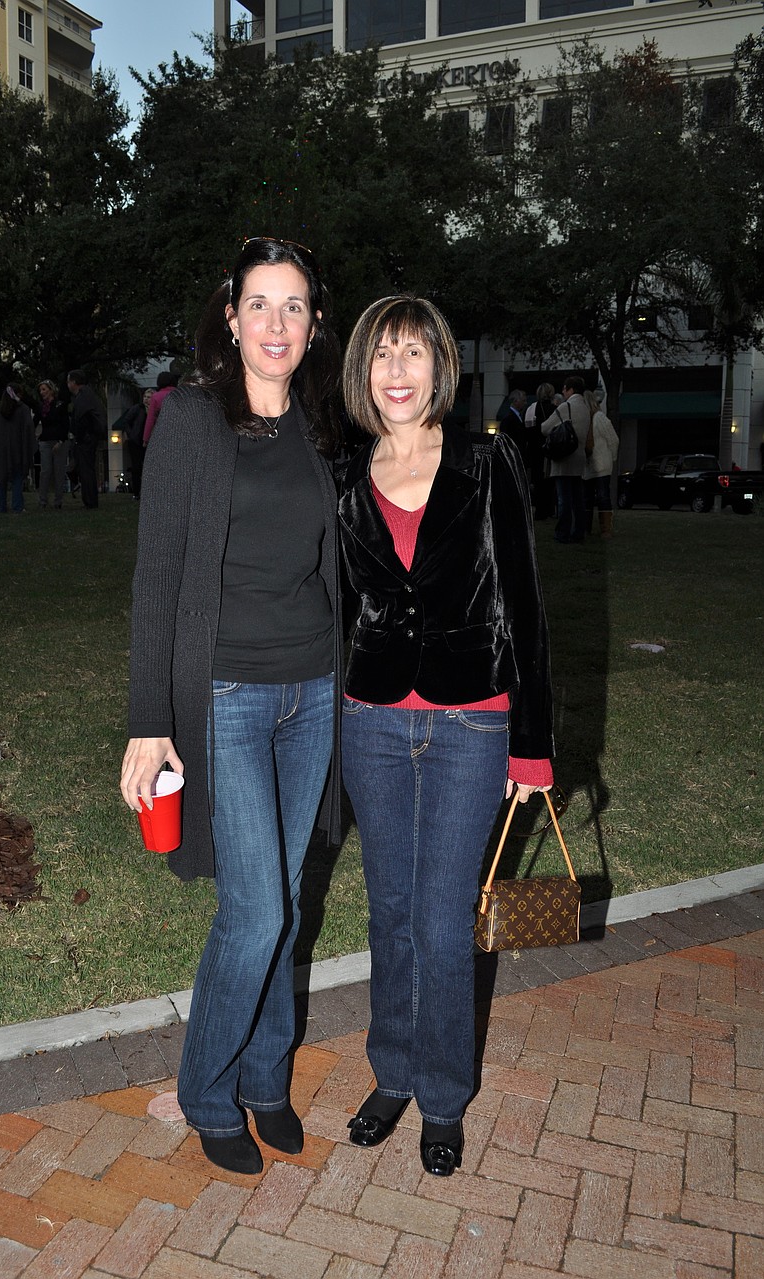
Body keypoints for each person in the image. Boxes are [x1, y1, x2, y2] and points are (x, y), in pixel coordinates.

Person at [119, 237, 343, 1177]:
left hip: (314, 692)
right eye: (260, 304)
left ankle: (265, 1079)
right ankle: (209, 1091)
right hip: (228, 697)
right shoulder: (192, 420)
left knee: (286, 903)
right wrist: (148, 718)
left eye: (294, 306)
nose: (276, 324)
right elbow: (157, 574)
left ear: (314, 324)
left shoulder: (323, 424)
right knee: (253, 911)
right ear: (231, 315)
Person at [337, 296, 554, 1178]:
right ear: (363, 371)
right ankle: (391, 1072)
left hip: (472, 720)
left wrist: (533, 745)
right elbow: (338, 605)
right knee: (389, 908)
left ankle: (442, 1095)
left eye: (413, 353)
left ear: (439, 367)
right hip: (373, 720)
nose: (397, 371)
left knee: (439, 915)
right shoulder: (346, 472)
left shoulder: (488, 462)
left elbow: (526, 606)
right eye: (382, 354)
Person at [540, 374, 591, 543]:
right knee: (577, 498)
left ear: (571, 389)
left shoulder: (565, 407)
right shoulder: (586, 408)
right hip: (579, 456)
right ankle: (579, 532)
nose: (563, 391)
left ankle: (563, 533)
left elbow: (545, 428)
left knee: (564, 499)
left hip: (564, 456)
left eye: (564, 388)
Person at [0, 384, 36, 514]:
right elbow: (28, 430)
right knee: (17, 477)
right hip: (18, 448)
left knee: (2, 478)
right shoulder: (23, 409)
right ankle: (17, 506)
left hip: (1, 449)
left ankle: (2, 506)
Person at [66, 370, 106, 509]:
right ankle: (89, 499)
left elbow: (81, 418)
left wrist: (78, 435)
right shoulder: (87, 395)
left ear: (74, 382)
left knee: (86, 469)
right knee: (86, 468)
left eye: (69, 381)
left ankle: (90, 500)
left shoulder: (82, 397)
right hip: (89, 436)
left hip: (86, 437)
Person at [583, 387, 619, 538]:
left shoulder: (599, 418)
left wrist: (611, 457)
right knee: (590, 498)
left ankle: (604, 529)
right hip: (590, 465)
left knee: (601, 497)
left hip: (600, 465)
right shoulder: (588, 419)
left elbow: (613, 440)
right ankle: (590, 528)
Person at [36, 380, 70, 509]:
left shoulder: (60, 405)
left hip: (58, 440)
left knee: (59, 471)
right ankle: (42, 500)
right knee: (45, 470)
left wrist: (61, 441)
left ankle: (58, 500)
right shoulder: (41, 407)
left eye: (44, 389)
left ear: (51, 390)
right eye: (41, 390)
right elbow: (35, 421)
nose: (42, 392)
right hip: (45, 440)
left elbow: (65, 424)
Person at [525, 381, 556, 519]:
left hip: (535, 451)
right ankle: (549, 509)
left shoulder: (531, 409)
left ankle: (539, 510)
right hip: (550, 450)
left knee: (537, 481)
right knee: (549, 481)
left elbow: (527, 431)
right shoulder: (555, 409)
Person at [123, 387, 152, 499]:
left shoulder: (154, 410)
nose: (146, 399)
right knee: (136, 467)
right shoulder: (137, 409)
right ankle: (136, 492)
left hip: (148, 442)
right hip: (136, 442)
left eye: (149, 397)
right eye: (145, 397)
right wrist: (131, 435)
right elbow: (126, 421)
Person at [142, 370, 181, 447]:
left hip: (163, 433)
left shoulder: (156, 396)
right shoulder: (180, 394)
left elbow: (150, 420)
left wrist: (146, 439)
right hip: (180, 432)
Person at [498, 388, 529, 469]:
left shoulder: (514, 417)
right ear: (515, 401)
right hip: (514, 457)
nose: (525, 403)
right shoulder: (509, 418)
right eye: (523, 401)